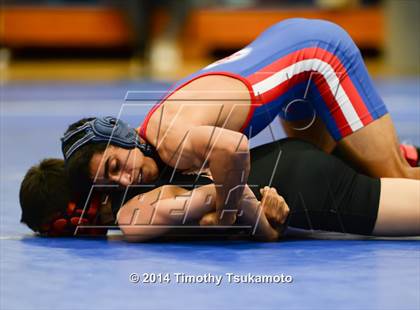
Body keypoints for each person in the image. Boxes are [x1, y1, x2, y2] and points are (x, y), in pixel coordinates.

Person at [64, 18, 419, 225]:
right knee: (328, 169)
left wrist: (227, 214)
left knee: (392, 178)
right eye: (112, 180)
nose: (125, 178)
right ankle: (404, 153)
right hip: (296, 69)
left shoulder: (171, 142)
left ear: (123, 137)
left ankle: (401, 159)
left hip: (319, 58)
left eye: (115, 164)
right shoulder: (154, 140)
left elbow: (234, 147)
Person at [22, 119, 419, 240]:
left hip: (311, 191)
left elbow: (219, 195)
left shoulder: (132, 216)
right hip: (289, 158)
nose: (122, 178)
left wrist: (265, 230)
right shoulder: (149, 164)